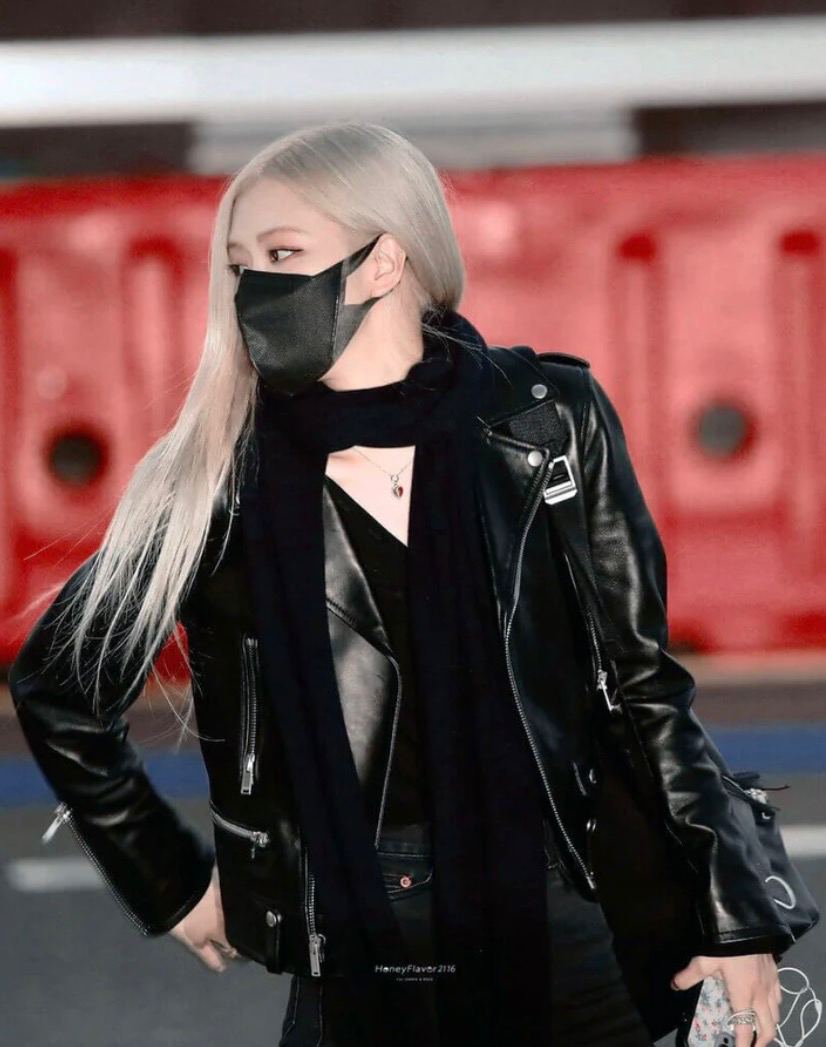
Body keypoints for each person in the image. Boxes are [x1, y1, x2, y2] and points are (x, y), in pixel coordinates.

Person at [10, 120, 794, 1047]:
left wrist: (736, 914)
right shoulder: (218, 474)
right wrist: (170, 881)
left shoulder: (546, 423)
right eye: (239, 263)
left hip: (563, 908)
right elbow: (59, 686)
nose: (254, 286)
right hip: (360, 931)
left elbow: (643, 686)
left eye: (283, 253)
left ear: (383, 262)